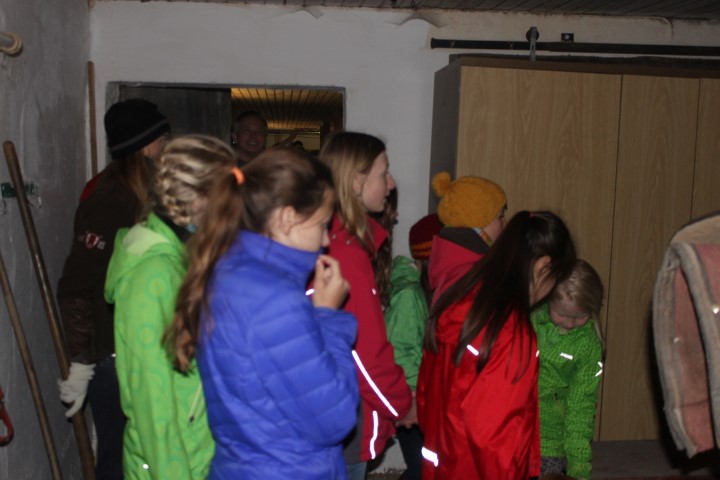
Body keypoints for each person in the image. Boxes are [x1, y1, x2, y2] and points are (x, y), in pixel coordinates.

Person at [169, 147, 359, 479]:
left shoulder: (228, 270)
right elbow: (335, 420)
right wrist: (328, 318)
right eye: (322, 224)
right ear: (286, 218)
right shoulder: (274, 300)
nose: (326, 240)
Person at [104, 135, 230, 479]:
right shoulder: (152, 277)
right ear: (197, 199)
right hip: (170, 466)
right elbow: (151, 405)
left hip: (197, 455)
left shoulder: (183, 259)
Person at [57, 98, 170, 480]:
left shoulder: (146, 194)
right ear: (146, 145)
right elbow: (76, 285)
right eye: (162, 139)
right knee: (119, 459)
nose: (167, 146)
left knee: (144, 455)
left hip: (141, 346)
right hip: (114, 357)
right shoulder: (111, 199)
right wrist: (82, 361)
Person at [417, 210, 577, 480]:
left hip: (444, 461)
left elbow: (427, 392)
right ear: (543, 267)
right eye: (556, 279)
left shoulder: (462, 295)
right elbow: (495, 439)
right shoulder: (511, 334)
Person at [319, 131, 412, 480]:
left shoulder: (336, 241)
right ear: (356, 182)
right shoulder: (345, 253)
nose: (391, 184)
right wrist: (401, 403)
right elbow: (365, 353)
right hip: (343, 412)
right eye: (383, 173)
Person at [532, 259, 605, 480]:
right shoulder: (529, 321)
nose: (570, 324)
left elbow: (581, 410)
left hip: (552, 444)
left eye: (580, 316)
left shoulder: (588, 347)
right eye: (562, 315)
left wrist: (579, 471)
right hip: (514, 432)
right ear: (547, 300)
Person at [384, 212, 443, 480]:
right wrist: (415, 397)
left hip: (424, 396)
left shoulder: (429, 292)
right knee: (421, 469)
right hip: (412, 401)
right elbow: (399, 351)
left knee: (427, 467)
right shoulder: (410, 295)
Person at [428, 171, 507, 305]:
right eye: (500, 217)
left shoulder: (459, 264)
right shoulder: (468, 279)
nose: (505, 222)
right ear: (478, 223)